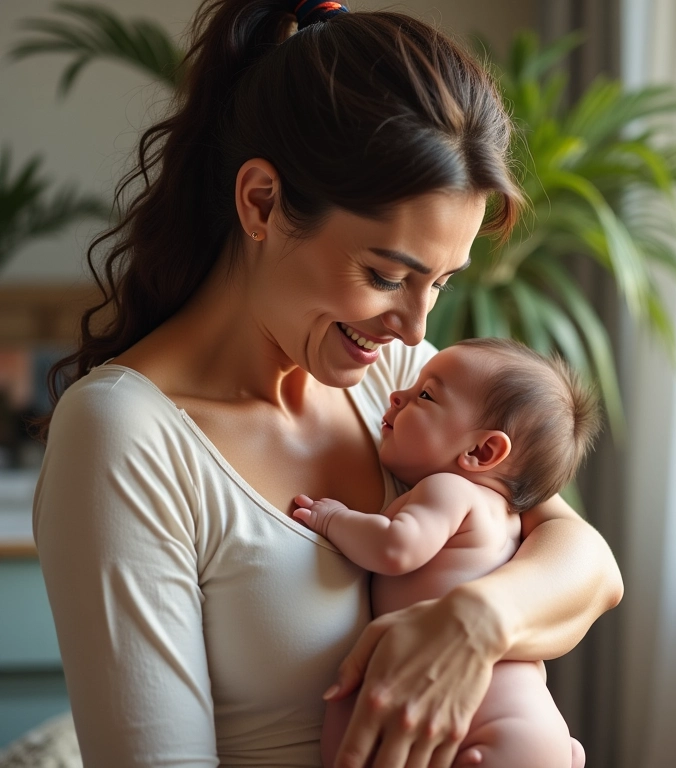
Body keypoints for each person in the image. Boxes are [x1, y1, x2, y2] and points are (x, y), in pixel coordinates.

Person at [32, 0, 623, 766]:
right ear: (261, 203)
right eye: (386, 276)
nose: (413, 326)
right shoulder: (125, 435)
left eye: (440, 283)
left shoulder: (400, 382)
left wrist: (474, 622)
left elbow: (590, 567)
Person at [293, 338, 600, 768]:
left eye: (424, 395)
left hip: (479, 721)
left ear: (480, 451)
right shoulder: (510, 518)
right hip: (531, 724)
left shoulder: (449, 489)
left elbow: (396, 547)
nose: (396, 395)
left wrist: (334, 519)